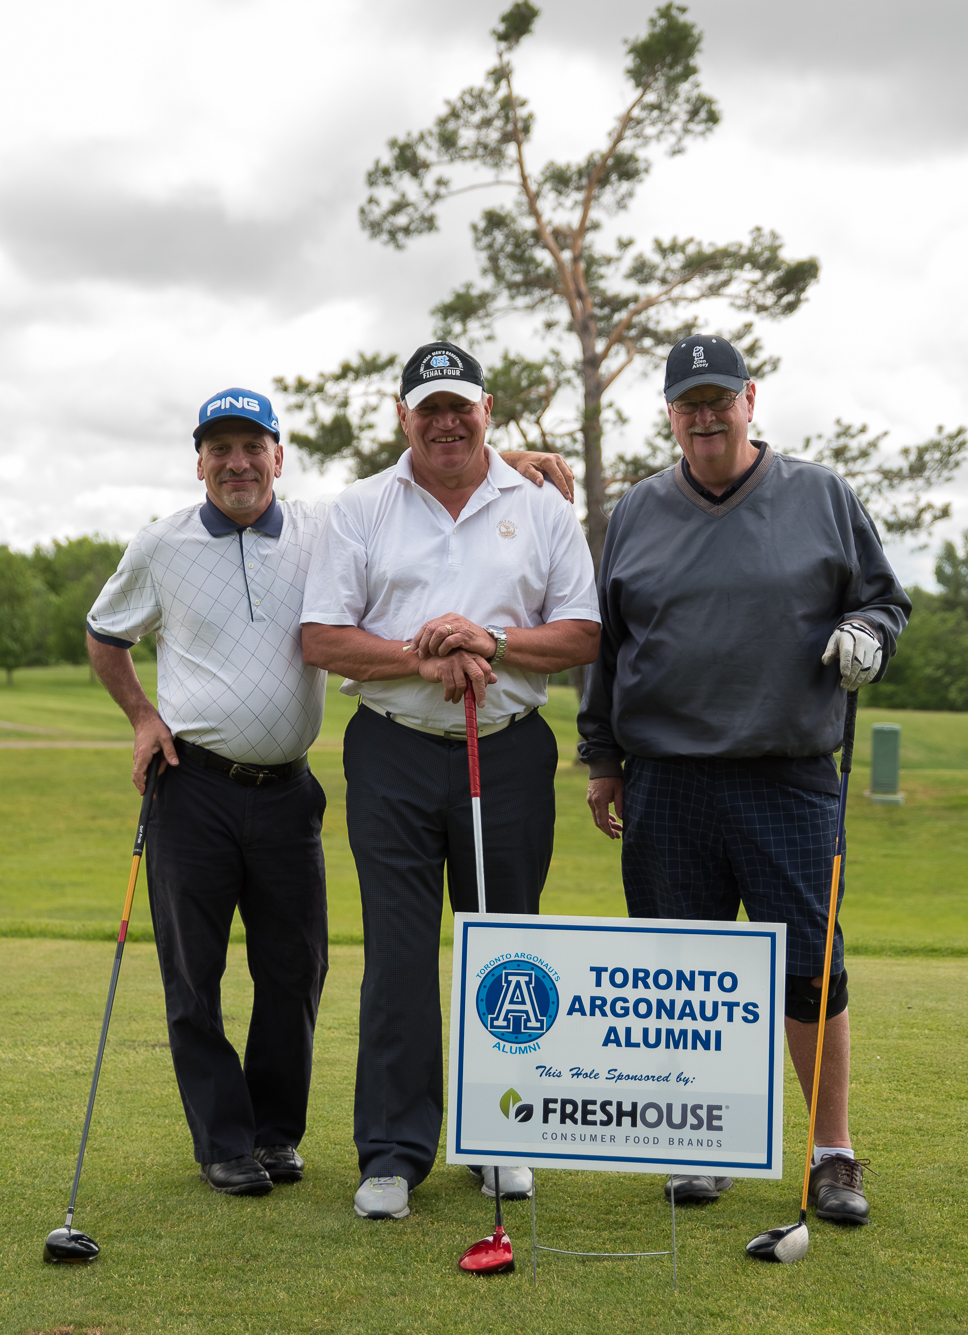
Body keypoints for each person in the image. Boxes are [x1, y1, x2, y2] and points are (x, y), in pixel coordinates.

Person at [87, 384, 574, 1199]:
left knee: (296, 969)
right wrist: (142, 717)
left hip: (288, 788)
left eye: (253, 448)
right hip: (192, 785)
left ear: (278, 457)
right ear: (199, 462)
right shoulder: (161, 543)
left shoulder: (323, 525)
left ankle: (276, 1133)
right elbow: (105, 633)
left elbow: (417, 480)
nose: (238, 464)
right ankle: (224, 1139)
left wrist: (500, 462)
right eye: (220, 450)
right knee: (194, 975)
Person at [577, 334, 911, 1226]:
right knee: (682, 976)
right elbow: (607, 645)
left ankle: (832, 1154)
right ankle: (700, 1141)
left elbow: (884, 598)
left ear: (750, 399)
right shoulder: (637, 510)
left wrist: (869, 634)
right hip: (666, 779)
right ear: (670, 414)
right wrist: (602, 756)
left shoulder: (822, 495)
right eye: (688, 403)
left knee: (810, 968)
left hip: (788, 774)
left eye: (719, 399)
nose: (705, 416)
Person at [299, 342, 600, 1221]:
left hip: (506, 751)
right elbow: (322, 637)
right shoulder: (360, 507)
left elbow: (582, 631)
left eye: (458, 406)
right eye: (427, 408)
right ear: (403, 417)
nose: (444, 423)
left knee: (506, 949)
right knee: (398, 954)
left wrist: (492, 642)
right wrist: (420, 656)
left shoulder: (541, 505)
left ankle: (503, 1134)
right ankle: (393, 1152)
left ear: (486, 409)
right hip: (391, 750)